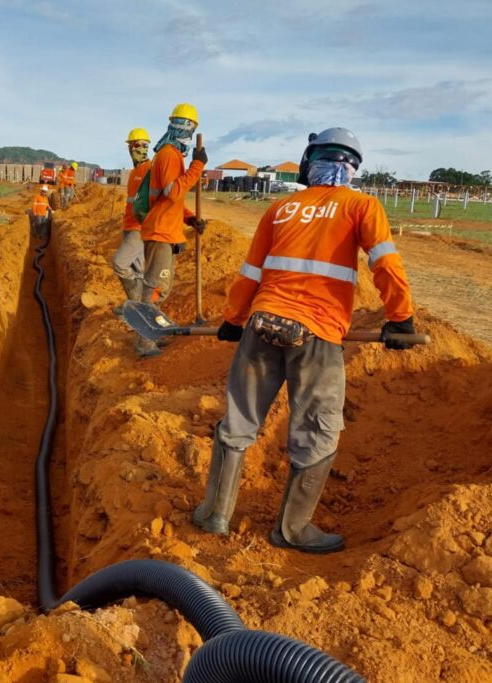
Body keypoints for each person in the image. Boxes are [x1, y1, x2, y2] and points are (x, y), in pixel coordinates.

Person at [191, 127, 416, 554]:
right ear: (352, 168)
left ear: (310, 161)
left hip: (261, 324)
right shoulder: (362, 206)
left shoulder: (281, 208)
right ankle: (292, 530)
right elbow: (384, 264)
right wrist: (401, 319)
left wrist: (233, 320)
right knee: (317, 430)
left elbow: (251, 274)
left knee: (238, 421)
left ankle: (214, 514)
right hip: (317, 332)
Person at [135, 103, 207, 358]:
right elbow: (173, 191)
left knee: (160, 288)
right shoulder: (168, 154)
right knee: (154, 288)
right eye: (189, 125)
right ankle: (144, 343)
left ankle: (152, 332)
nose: (189, 130)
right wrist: (196, 167)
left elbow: (172, 202)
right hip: (159, 233)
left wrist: (191, 219)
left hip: (167, 231)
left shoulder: (174, 154)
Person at [111, 128, 152, 315]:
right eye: (135, 146)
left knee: (120, 263)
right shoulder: (135, 171)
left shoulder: (148, 170)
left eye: (143, 146)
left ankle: (137, 303)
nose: (139, 149)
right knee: (137, 270)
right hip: (129, 226)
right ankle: (138, 307)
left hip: (139, 228)